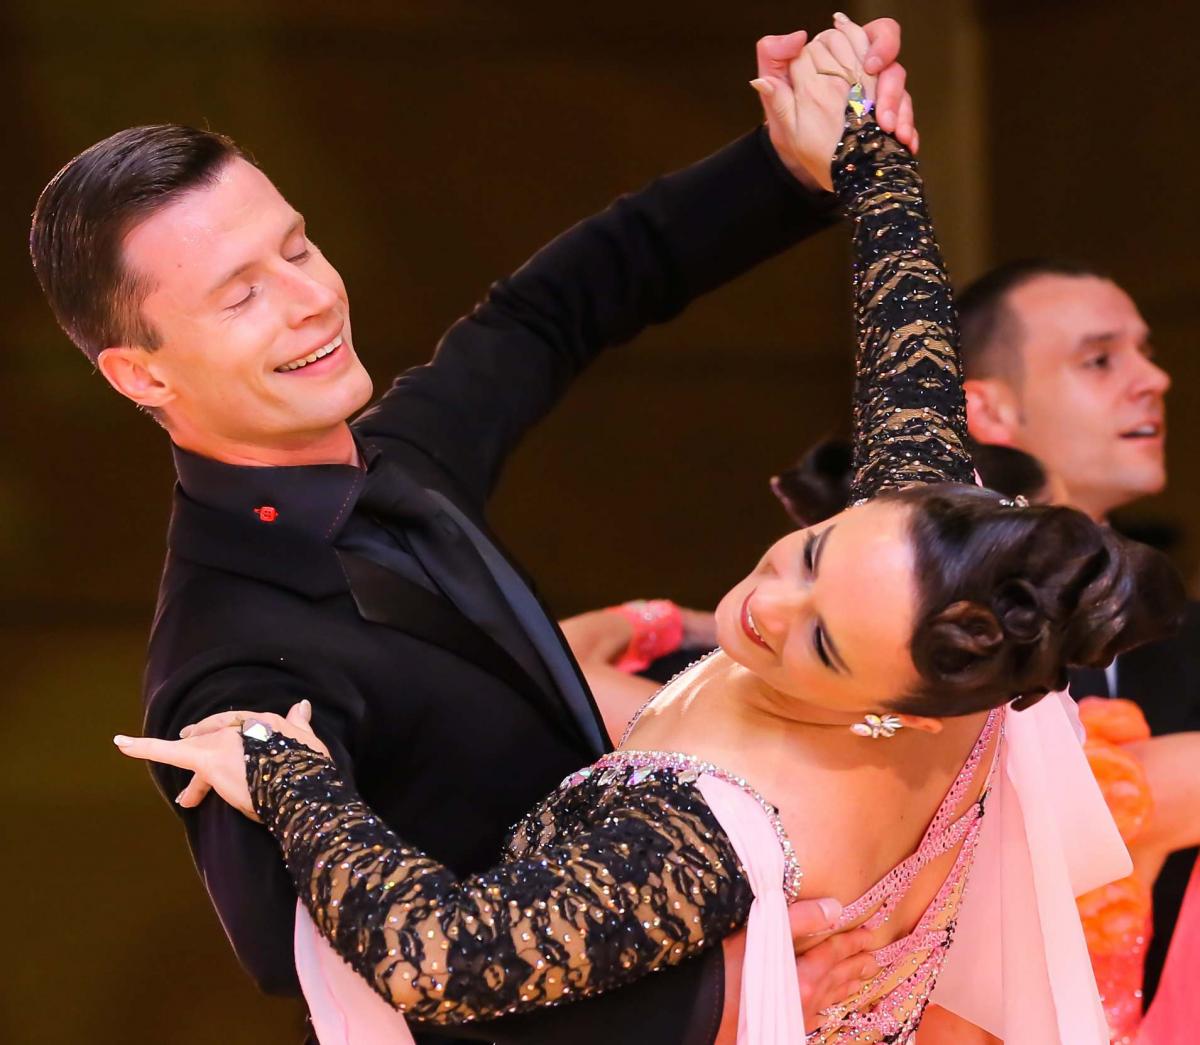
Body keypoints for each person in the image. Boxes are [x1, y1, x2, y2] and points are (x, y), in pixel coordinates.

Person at [116, 17, 1184, 1042]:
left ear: (898, 691)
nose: (762, 606)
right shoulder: (935, 581)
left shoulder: (706, 829)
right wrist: (850, 145)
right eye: (807, 553)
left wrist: (285, 775)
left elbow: (444, 962)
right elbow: (903, 329)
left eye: (299, 248)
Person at [31, 17, 921, 1045]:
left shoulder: (397, 457)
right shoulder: (226, 667)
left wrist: (786, 164)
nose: (313, 298)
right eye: (243, 296)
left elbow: (554, 308)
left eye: (298, 245)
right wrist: (717, 1007)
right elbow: (320, 963)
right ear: (141, 372)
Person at [959, 258, 1200, 1005]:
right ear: (990, 411)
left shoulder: (1183, 629)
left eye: (1147, 352)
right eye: (1100, 359)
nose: (1153, 379)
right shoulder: (930, 632)